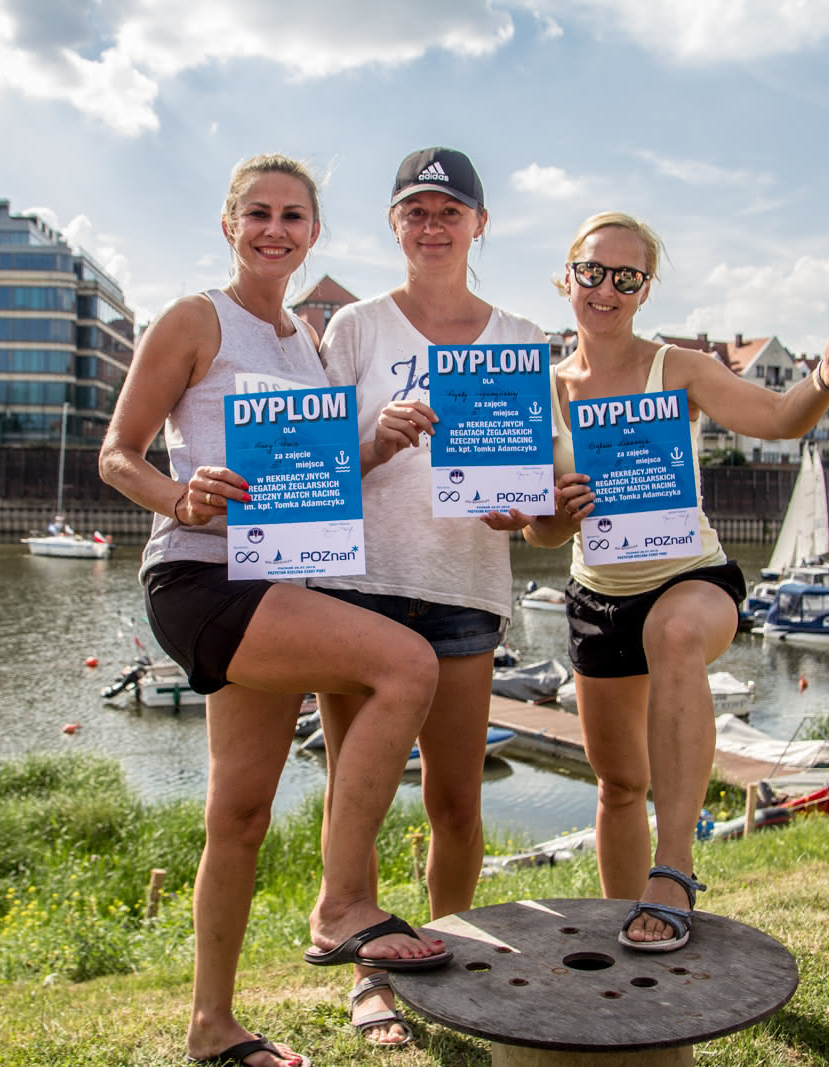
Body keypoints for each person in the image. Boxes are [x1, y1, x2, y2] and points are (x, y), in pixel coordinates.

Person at [97, 154, 450, 1067]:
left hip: (277, 581)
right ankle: (341, 903)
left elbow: (315, 482)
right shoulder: (192, 319)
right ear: (229, 224)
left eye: (293, 216)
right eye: (258, 212)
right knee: (407, 664)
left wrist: (380, 437)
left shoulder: (304, 340)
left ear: (314, 234)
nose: (275, 229)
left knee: (241, 816)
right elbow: (116, 454)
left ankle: (212, 1029)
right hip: (201, 579)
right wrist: (180, 497)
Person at [522, 211, 829, 953]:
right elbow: (541, 533)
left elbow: (777, 417)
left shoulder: (676, 367)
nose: (607, 288)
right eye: (593, 271)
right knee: (618, 784)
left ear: (645, 290)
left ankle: (674, 867)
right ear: (567, 278)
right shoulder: (542, 389)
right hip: (597, 596)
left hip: (690, 575)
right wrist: (555, 510)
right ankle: (628, 933)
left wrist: (823, 380)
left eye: (628, 276)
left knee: (675, 632)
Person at [311, 146, 547, 1047]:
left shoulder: (521, 335)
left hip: (464, 588)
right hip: (361, 587)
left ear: (479, 224)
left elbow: (532, 495)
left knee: (456, 801)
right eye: (416, 209)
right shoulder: (358, 329)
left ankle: (446, 963)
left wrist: (523, 506)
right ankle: (370, 970)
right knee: (355, 796)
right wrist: (375, 435)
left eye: (450, 210)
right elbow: (321, 462)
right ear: (394, 225)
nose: (433, 224)